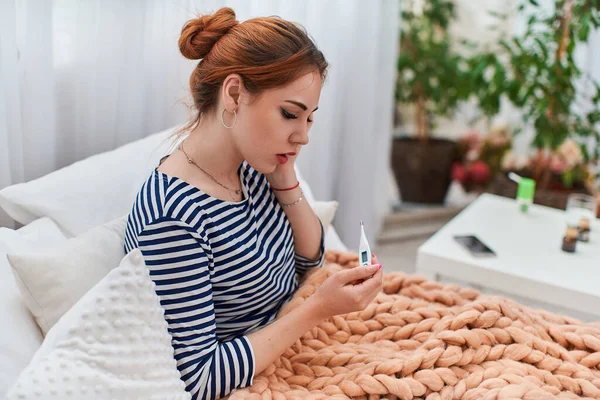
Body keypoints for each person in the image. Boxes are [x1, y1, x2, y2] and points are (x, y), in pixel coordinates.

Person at [123, 7, 383, 400]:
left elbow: (308, 259)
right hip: (253, 376)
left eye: (310, 119)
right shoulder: (173, 217)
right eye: (290, 114)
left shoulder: (251, 166)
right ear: (233, 94)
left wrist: (285, 180)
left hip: (298, 341)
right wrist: (316, 310)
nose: (303, 137)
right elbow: (199, 378)